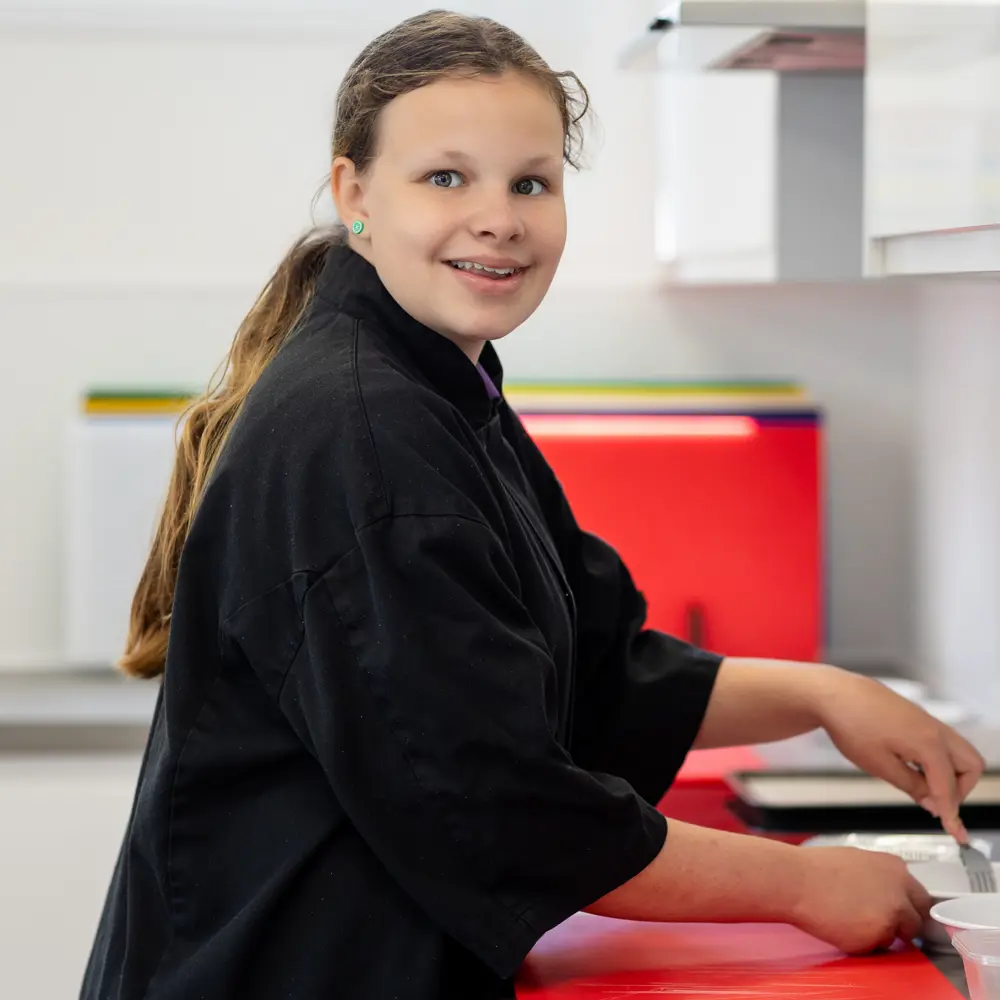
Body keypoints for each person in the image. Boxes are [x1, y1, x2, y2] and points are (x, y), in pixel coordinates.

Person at [81, 10, 986, 1000]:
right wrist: (804, 882)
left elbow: (594, 675)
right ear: (355, 194)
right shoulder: (366, 436)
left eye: (531, 182)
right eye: (445, 177)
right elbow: (496, 806)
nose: (498, 217)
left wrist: (821, 693)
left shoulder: (437, 384)